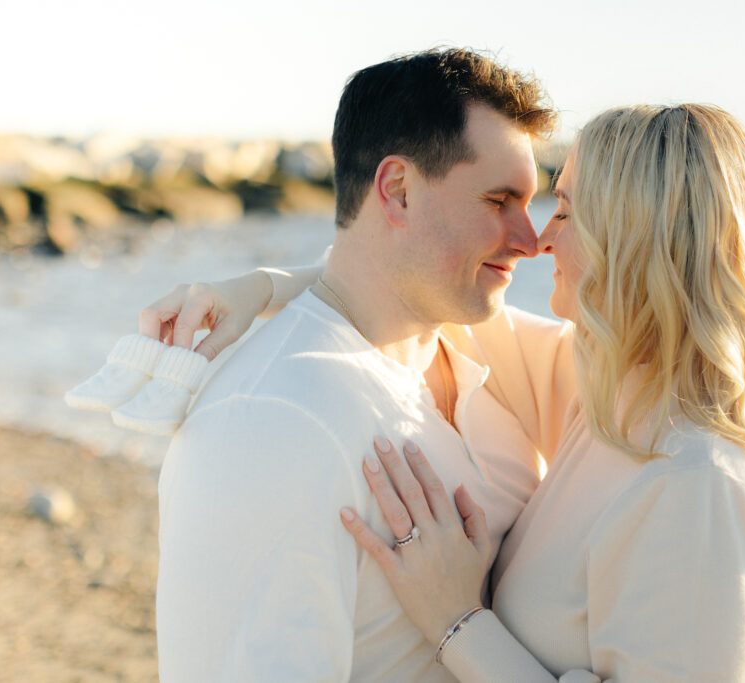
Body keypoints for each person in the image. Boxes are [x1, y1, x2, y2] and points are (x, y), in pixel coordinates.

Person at [160, 104, 745, 679]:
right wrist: (259, 289)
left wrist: (458, 621)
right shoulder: (609, 392)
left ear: (636, 242)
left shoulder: (703, 485)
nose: (538, 240)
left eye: (568, 213)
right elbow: (401, 285)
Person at [153, 47, 565, 682]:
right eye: (499, 200)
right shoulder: (270, 421)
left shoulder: (488, 356)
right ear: (397, 189)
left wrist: (264, 284)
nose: (531, 240)